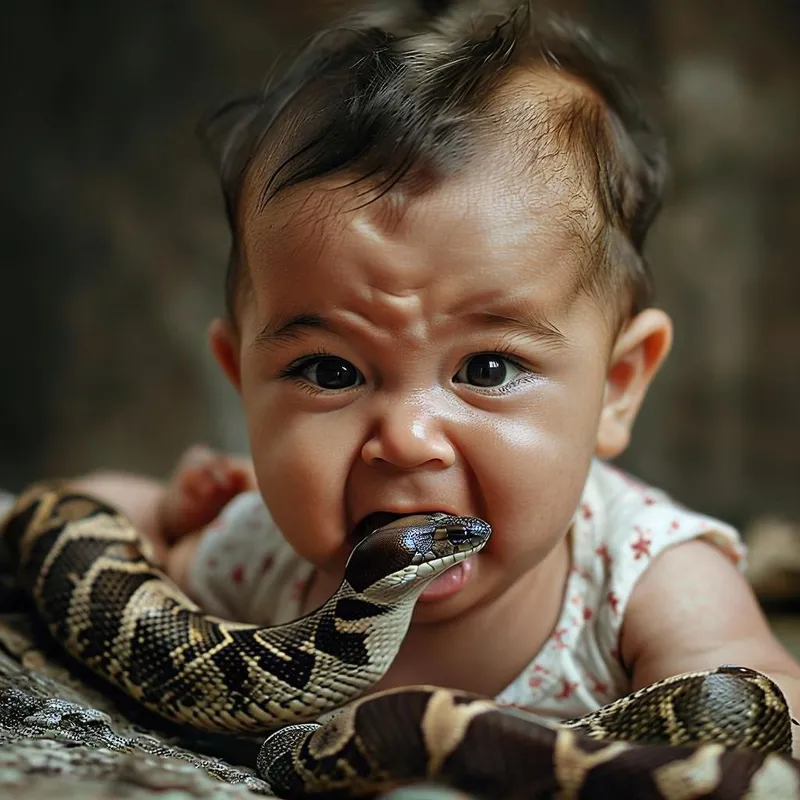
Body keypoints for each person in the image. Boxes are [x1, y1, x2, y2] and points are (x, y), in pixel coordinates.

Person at [26, 0, 800, 744]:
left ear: (618, 385)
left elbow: (770, 712)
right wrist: (166, 514)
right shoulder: (259, 551)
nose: (405, 440)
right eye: (329, 372)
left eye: (488, 367)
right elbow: (79, 511)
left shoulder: (645, 581)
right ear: (241, 379)